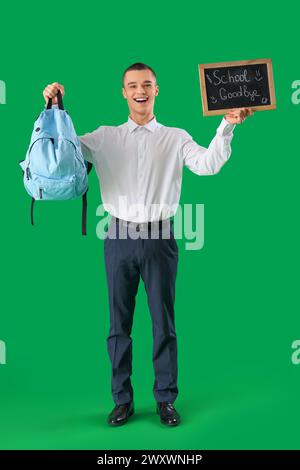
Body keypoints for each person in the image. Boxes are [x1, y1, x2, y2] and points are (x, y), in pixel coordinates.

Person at [43, 63, 253, 427]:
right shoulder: (104, 137)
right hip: (118, 236)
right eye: (132, 85)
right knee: (117, 324)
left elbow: (208, 164)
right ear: (123, 92)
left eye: (147, 84)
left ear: (157, 90)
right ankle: (121, 400)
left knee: (163, 323)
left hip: (160, 236)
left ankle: (166, 400)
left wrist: (228, 124)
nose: (140, 90)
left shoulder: (175, 137)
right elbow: (63, 152)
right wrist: (55, 108)